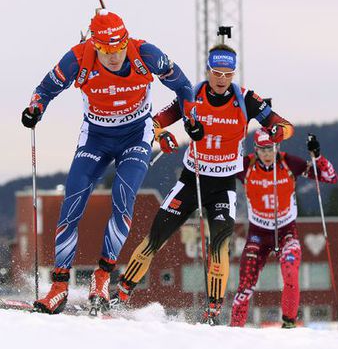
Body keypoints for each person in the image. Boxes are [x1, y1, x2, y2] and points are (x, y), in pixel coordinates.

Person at [20, 9, 195, 314]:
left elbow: (183, 86)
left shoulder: (146, 54)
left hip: (136, 135)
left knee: (123, 200)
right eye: (105, 50)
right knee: (72, 201)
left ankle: (101, 277)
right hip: (96, 137)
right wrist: (35, 109)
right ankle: (59, 287)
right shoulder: (78, 58)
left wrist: (191, 117)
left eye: (119, 48)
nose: (114, 57)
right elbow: (44, 90)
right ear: (94, 45)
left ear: (126, 40)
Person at [110, 43, 294, 325]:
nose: (222, 79)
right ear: (208, 71)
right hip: (191, 180)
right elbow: (154, 123)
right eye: (217, 73)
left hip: (223, 186)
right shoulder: (191, 95)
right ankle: (120, 295)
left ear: (234, 74)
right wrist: (162, 137)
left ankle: (213, 311)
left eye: (228, 74)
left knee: (219, 247)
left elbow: (285, 125)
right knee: (154, 238)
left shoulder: (246, 99)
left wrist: (278, 131)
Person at [230, 130, 338, 328]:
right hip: (258, 234)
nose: (267, 154)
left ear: (277, 147)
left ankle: (289, 322)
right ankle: (235, 329)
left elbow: (330, 177)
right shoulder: (246, 165)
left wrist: (318, 157)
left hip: (286, 231)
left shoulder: (289, 163)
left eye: (271, 149)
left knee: (291, 273)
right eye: (262, 149)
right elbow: (218, 171)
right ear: (255, 149)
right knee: (246, 282)